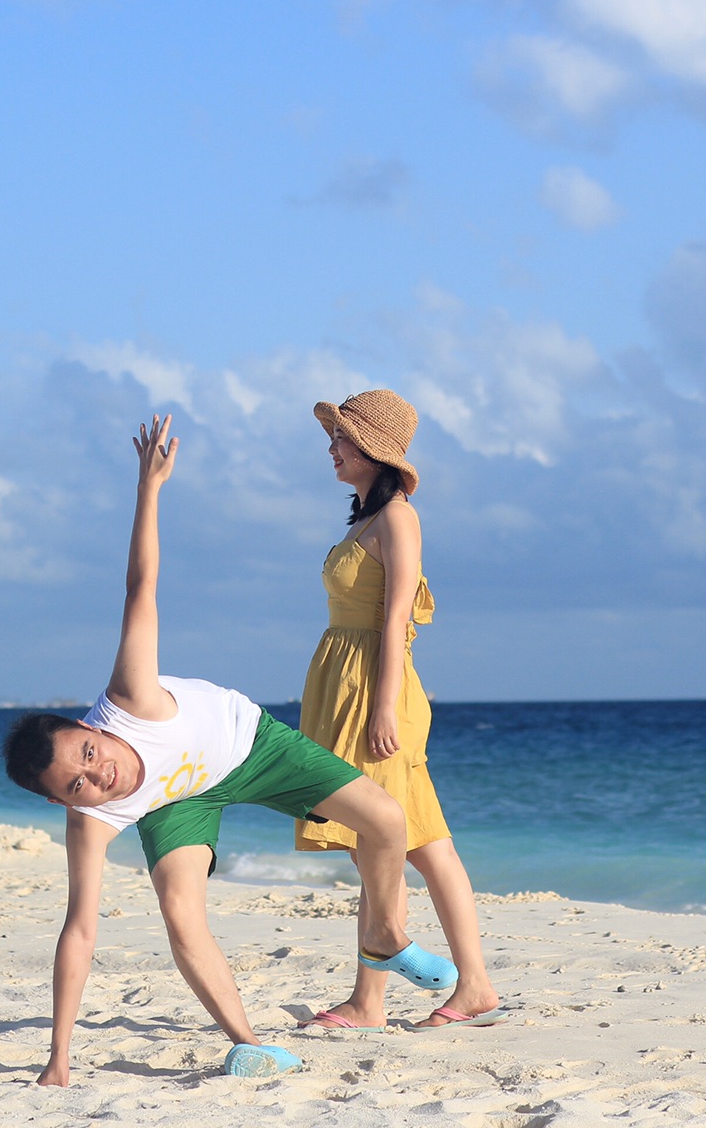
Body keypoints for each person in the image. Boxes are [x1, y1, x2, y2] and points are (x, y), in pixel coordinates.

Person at [3, 415, 457, 1086]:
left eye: (90, 753)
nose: (101, 776)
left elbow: (140, 587)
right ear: (59, 800)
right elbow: (79, 933)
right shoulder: (91, 822)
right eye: (79, 786)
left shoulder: (128, 695)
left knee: (387, 820)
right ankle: (247, 1042)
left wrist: (149, 488)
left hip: (248, 746)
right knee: (181, 914)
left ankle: (385, 935)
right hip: (180, 801)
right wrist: (58, 1059)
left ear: (89, 727)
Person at [294, 390, 503, 1031]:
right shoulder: (363, 522)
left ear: (374, 451)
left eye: (343, 439)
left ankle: (383, 997)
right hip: (344, 686)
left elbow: (396, 621)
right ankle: (458, 988)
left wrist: (382, 708)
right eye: (333, 436)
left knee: (388, 843)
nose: (331, 448)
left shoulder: (399, 519)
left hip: (377, 693)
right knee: (410, 842)